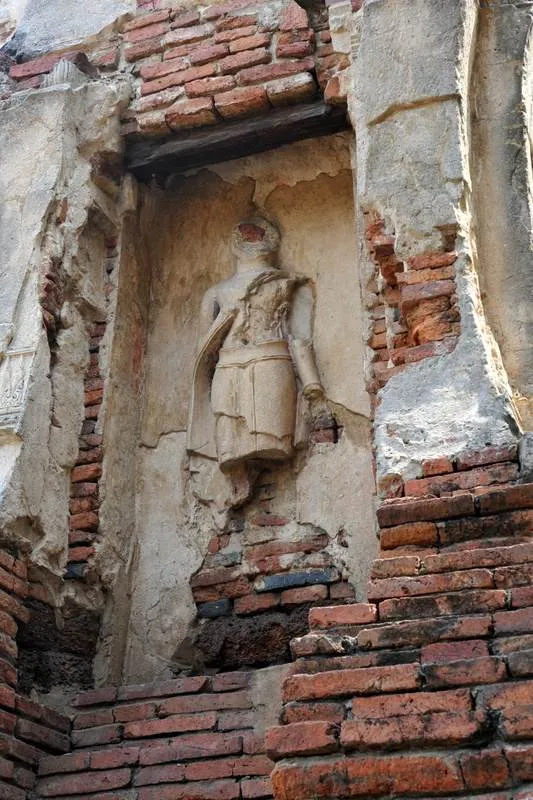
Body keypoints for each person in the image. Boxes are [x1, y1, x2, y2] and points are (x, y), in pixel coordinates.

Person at [187, 216, 324, 506]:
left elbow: (298, 338)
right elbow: (204, 349)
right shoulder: (216, 292)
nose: (252, 238)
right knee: (230, 442)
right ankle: (239, 479)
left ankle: (259, 468)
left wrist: (311, 381)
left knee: (271, 439)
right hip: (229, 368)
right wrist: (223, 322)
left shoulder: (286, 283)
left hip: (271, 364)